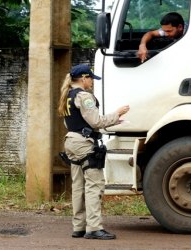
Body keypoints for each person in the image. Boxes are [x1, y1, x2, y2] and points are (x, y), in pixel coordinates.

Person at [58, 64, 130, 240]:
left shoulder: (67, 95)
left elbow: (73, 123)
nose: (92, 81)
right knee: (94, 185)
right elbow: (96, 121)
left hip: (71, 141)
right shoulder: (84, 96)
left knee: (78, 186)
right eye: (90, 78)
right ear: (83, 78)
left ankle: (79, 227)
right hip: (84, 144)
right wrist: (117, 114)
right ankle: (94, 228)